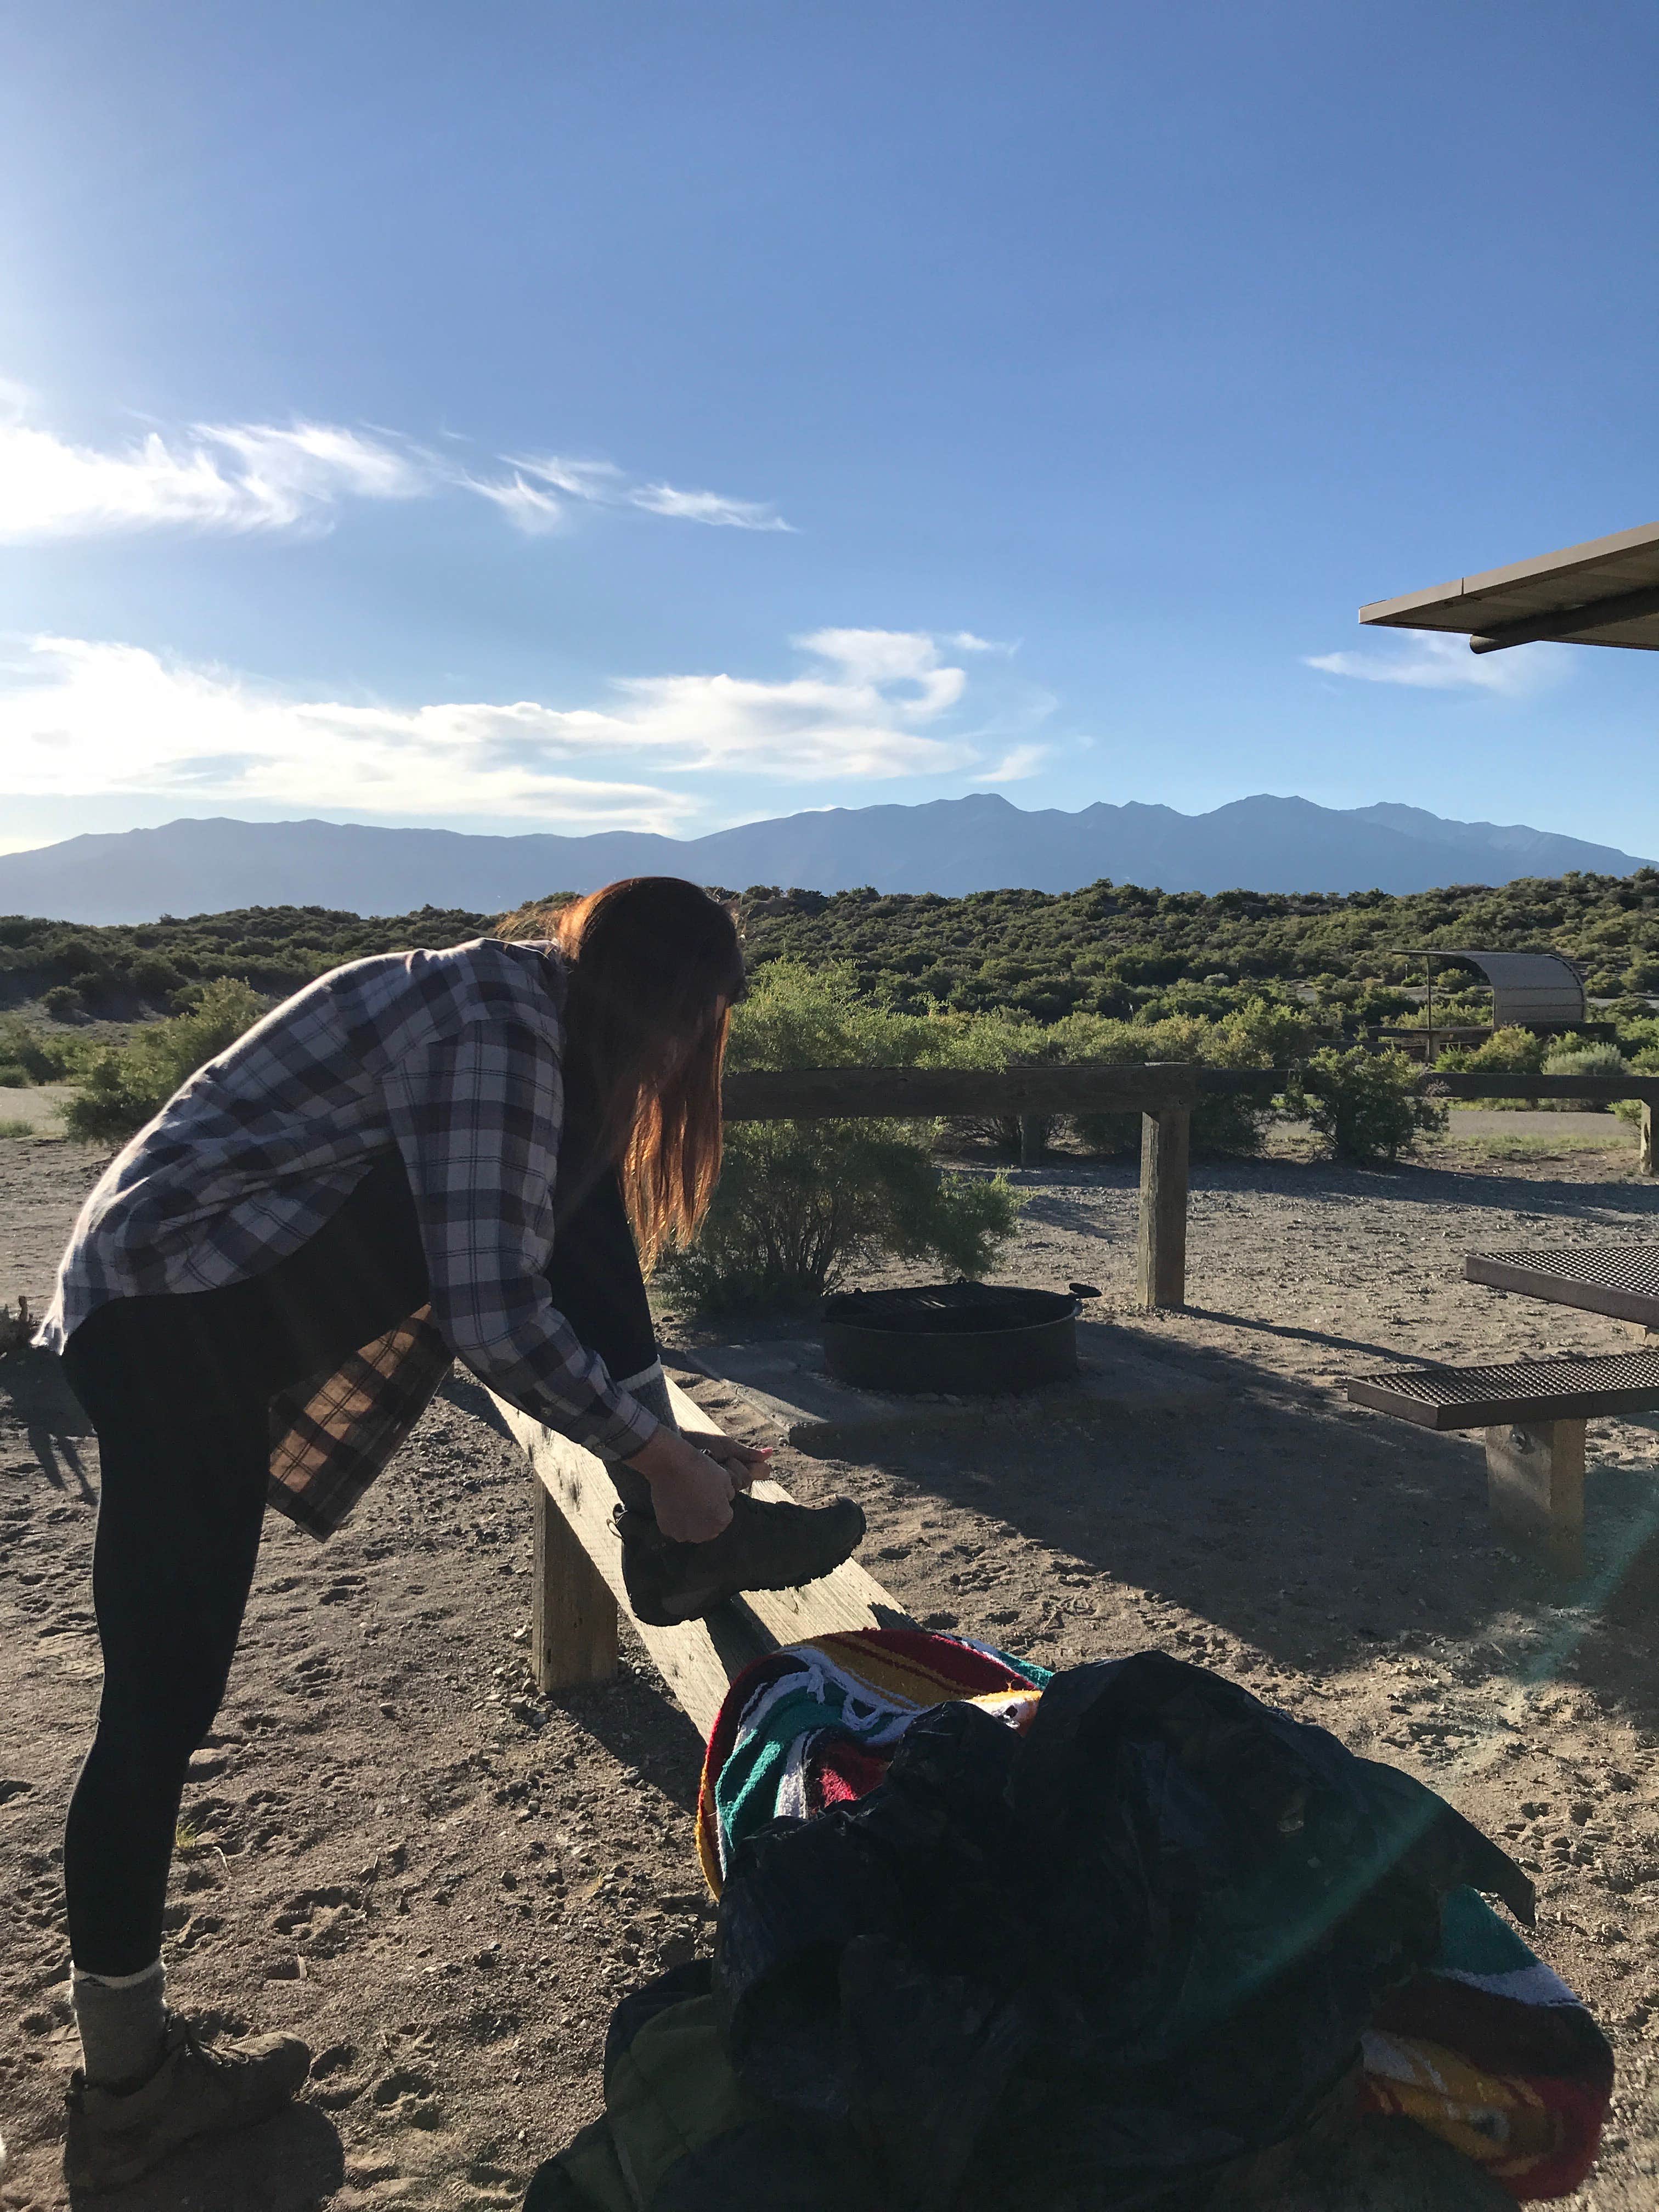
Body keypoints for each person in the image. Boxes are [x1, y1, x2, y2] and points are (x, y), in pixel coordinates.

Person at [33, 877, 865, 2192]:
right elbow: (493, 1310)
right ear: (667, 1000)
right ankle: (128, 2094)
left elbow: (516, 1256)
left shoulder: (537, 1020)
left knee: (574, 1174)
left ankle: (676, 1535)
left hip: (191, 1308)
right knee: (157, 1712)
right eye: (688, 1024)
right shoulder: (502, 1033)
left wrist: (657, 1446)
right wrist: (656, 1453)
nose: (679, 1058)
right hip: (167, 1319)